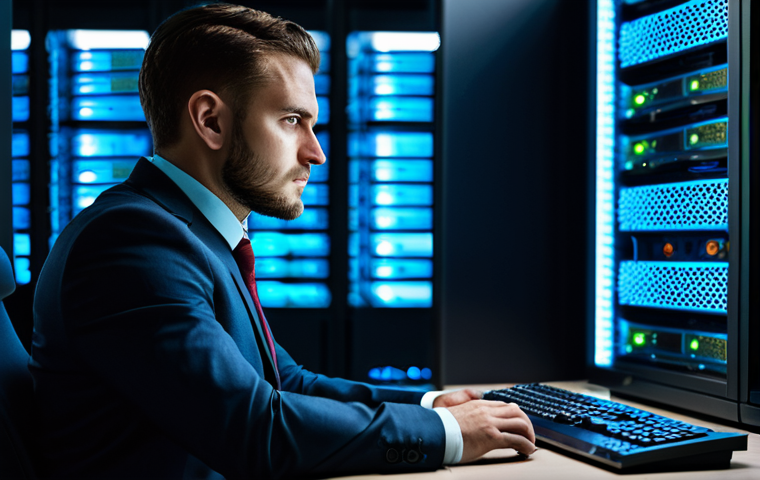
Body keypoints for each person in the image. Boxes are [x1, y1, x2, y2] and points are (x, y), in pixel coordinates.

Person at [30, 3, 535, 479]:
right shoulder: (133, 243)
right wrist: (448, 435)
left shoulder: (189, 234)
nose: (316, 153)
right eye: (292, 120)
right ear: (211, 120)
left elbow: (285, 384)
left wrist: (429, 406)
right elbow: (253, 429)